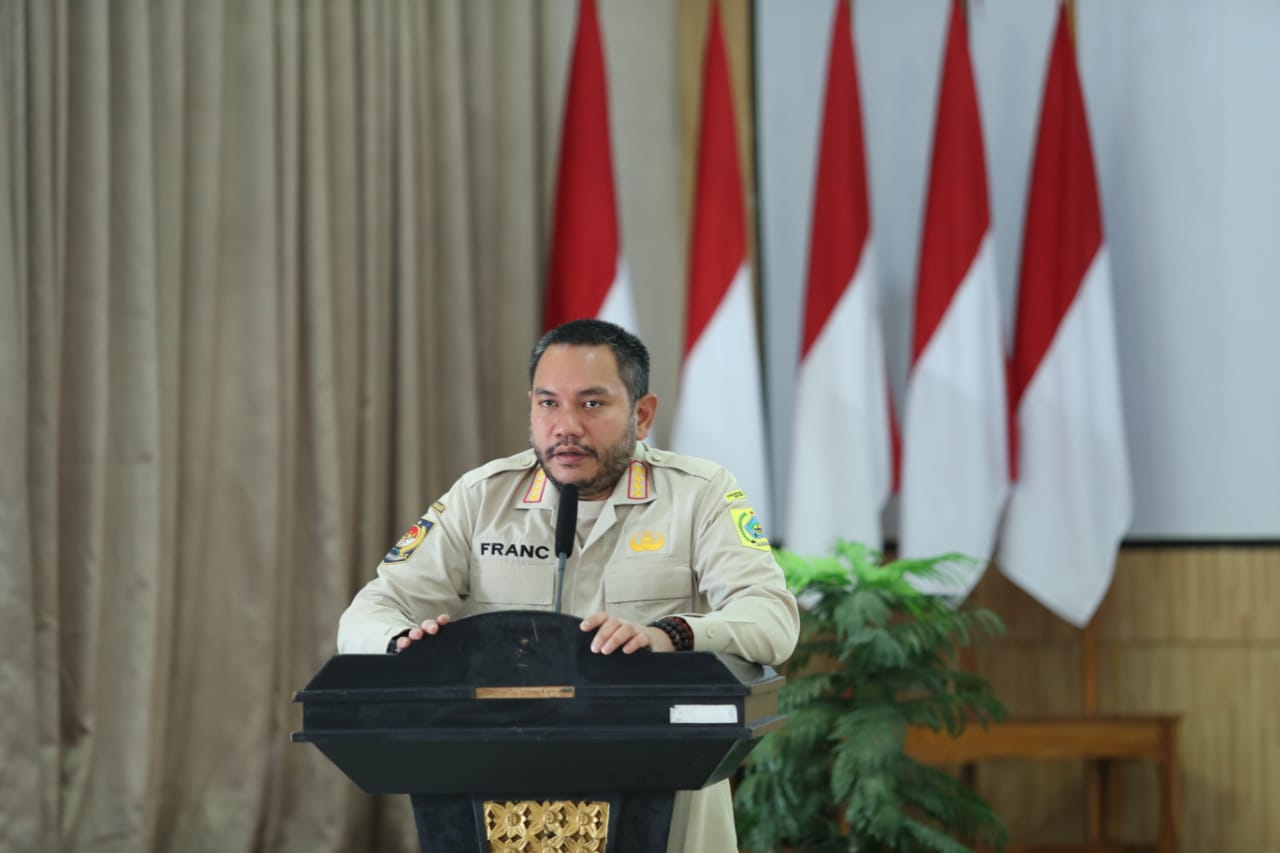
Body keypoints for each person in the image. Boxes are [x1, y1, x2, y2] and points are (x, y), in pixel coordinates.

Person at [338, 318, 800, 853]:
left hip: (663, 787)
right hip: (501, 793)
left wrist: (670, 635)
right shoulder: (482, 498)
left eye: (592, 404)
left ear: (642, 415)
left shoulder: (700, 494)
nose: (565, 426)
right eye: (548, 404)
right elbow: (369, 612)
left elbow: (772, 619)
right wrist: (403, 644)